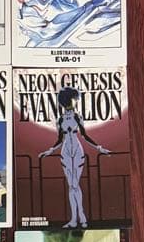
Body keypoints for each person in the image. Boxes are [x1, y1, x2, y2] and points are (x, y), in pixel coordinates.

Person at [38, 86, 113, 228]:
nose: (76, 101)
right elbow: (60, 139)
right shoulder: (60, 120)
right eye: (74, 99)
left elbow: (84, 135)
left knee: (74, 184)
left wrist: (99, 148)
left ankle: (80, 217)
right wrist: (50, 151)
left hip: (77, 151)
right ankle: (76, 219)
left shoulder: (78, 117)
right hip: (65, 152)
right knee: (72, 186)